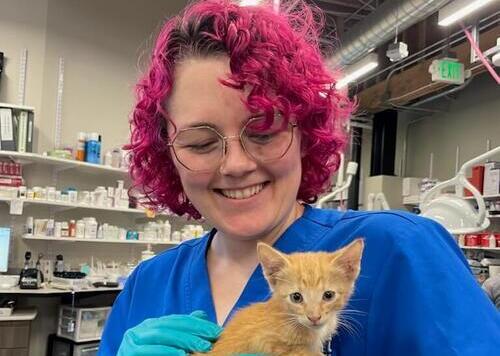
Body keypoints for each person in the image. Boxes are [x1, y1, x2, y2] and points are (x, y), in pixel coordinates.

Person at [98, 1, 500, 355]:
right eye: (202, 143)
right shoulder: (146, 287)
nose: (235, 164)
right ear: (168, 155)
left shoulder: (402, 251)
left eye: (264, 131)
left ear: (305, 134)